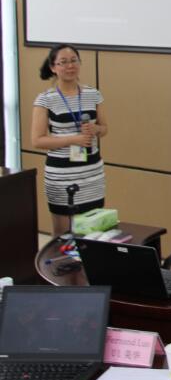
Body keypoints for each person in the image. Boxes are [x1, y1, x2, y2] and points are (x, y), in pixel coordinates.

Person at [30, 44, 108, 236]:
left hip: (92, 172)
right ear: (53, 67)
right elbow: (37, 140)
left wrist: (96, 129)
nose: (70, 66)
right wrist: (74, 139)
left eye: (74, 61)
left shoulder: (93, 94)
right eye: (63, 62)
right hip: (62, 175)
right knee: (63, 234)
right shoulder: (45, 99)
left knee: (94, 231)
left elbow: (105, 128)